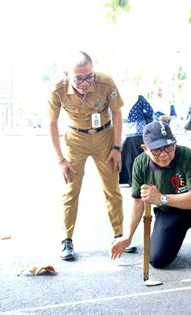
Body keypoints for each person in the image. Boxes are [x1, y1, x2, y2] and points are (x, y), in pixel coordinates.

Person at [110, 121, 191, 275]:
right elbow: (138, 202)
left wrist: (161, 198)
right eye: (157, 150)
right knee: (158, 260)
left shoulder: (188, 156)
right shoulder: (140, 164)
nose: (164, 154)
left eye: (168, 147)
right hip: (169, 213)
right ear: (145, 149)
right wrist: (128, 236)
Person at [48, 51, 125, 261]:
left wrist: (117, 148)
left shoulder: (105, 82)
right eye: (78, 78)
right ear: (67, 75)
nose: (84, 83)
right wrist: (60, 159)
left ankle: (119, 235)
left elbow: (117, 114)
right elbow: (52, 123)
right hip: (76, 140)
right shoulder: (58, 89)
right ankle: (67, 241)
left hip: (105, 138)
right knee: (71, 190)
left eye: (88, 76)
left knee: (112, 188)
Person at [119, 94, 154, 186]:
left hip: (125, 133)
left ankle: (131, 180)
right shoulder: (139, 98)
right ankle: (144, 179)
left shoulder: (119, 99)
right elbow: (150, 111)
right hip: (140, 132)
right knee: (142, 156)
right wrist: (143, 116)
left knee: (128, 158)